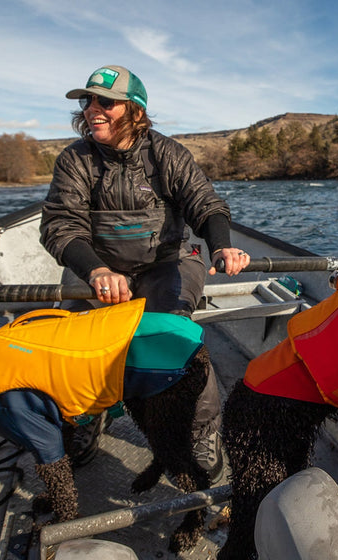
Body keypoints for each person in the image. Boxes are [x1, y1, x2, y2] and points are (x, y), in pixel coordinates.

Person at [40, 65, 249, 483]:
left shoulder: (169, 154)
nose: (92, 110)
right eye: (88, 101)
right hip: (98, 268)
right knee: (75, 340)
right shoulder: (74, 159)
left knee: (174, 337)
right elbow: (60, 225)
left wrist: (222, 244)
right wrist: (96, 269)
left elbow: (205, 205)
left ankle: (201, 432)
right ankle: (82, 422)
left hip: (167, 262)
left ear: (135, 110)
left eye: (105, 102)